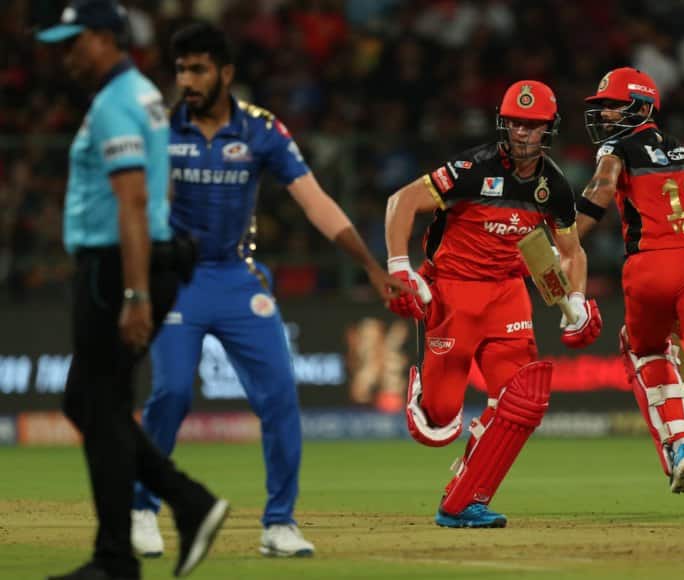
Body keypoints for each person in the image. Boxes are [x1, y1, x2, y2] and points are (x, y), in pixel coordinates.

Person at [129, 21, 410, 557]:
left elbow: (316, 202)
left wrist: (371, 268)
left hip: (238, 279)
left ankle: (279, 523)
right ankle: (141, 508)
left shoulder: (261, 130)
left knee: (280, 395)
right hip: (177, 280)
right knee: (173, 392)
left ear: (225, 73)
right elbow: (138, 208)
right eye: (181, 69)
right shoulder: (161, 129)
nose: (187, 80)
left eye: (198, 69)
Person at [37, 2, 228, 579]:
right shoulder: (141, 94)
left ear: (104, 37)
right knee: (90, 403)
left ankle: (121, 553)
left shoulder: (117, 102)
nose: (68, 54)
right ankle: (183, 507)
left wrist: (136, 295)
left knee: (98, 404)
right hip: (132, 263)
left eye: (75, 41)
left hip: (117, 268)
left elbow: (134, 200)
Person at [385, 80, 602, 527]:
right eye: (516, 123)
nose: (523, 133)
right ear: (504, 125)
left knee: (523, 401)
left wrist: (576, 300)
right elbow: (401, 201)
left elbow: (571, 251)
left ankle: (463, 501)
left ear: (548, 129)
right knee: (439, 420)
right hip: (453, 291)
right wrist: (400, 267)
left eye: (533, 125)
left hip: (508, 293)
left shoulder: (554, 185)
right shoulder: (470, 168)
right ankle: (424, 396)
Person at [576, 67, 684, 508]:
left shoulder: (616, 147)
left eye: (613, 106)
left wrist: (566, 236)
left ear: (641, 108)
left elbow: (601, 188)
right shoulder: (683, 149)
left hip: (650, 265)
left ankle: (681, 444)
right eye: (603, 108)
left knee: (646, 351)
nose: (605, 115)